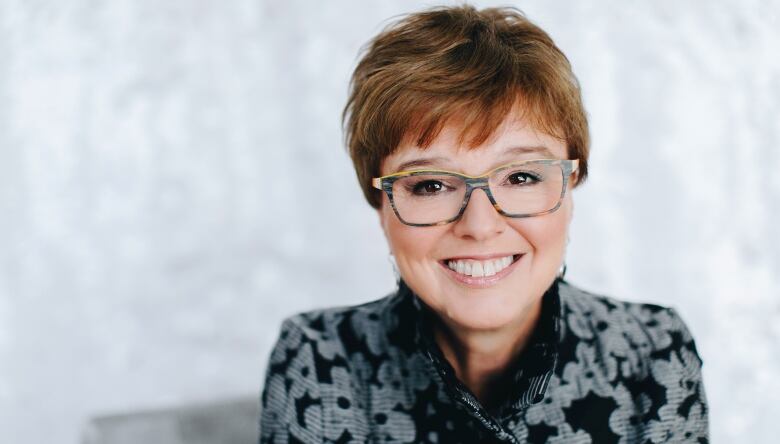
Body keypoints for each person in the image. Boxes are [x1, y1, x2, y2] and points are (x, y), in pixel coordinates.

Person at [259, 5, 708, 443]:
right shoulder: (319, 359)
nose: (479, 225)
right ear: (381, 204)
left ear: (571, 190)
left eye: (521, 176)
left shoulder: (652, 352)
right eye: (431, 185)